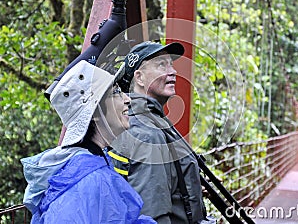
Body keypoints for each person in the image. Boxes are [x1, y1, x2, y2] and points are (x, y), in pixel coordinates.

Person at [21, 60, 156, 224]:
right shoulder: (86, 180)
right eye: (116, 92)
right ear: (96, 112)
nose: (127, 99)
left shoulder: (95, 162)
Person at [111, 41, 211, 224]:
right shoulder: (148, 133)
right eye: (161, 65)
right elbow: (151, 214)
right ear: (139, 78)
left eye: (171, 64)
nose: (172, 71)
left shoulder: (145, 120)